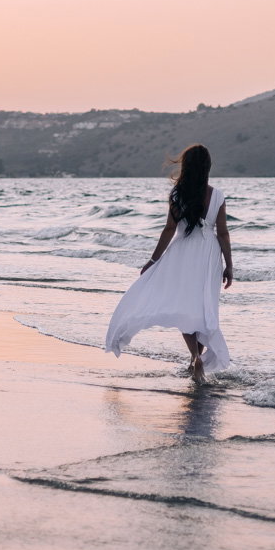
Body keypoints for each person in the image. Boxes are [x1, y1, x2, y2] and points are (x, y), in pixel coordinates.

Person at [104, 144, 234, 382]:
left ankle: (195, 357)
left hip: (183, 253)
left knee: (184, 307)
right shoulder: (217, 195)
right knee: (203, 308)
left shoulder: (177, 194)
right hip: (209, 255)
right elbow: (223, 233)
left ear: (186, 166)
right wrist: (229, 266)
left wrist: (153, 260)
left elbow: (169, 229)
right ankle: (197, 361)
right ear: (207, 167)